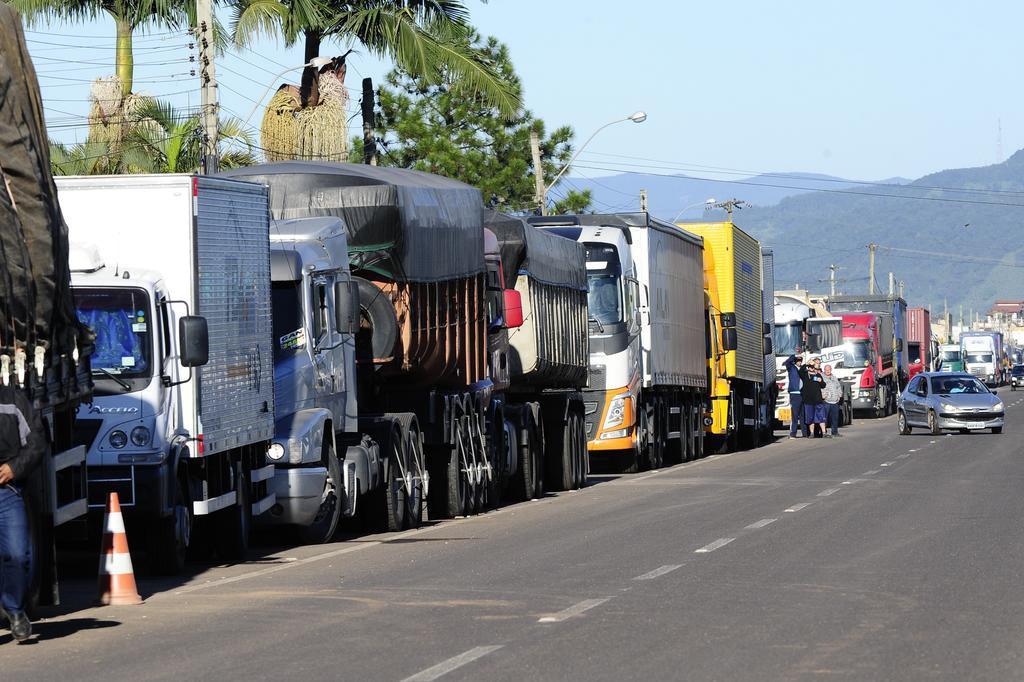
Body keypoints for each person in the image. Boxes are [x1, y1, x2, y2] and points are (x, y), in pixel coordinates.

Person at [0, 385, 45, 643]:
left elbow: (37, 442)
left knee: (18, 555)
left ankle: (15, 611)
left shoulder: (14, 399)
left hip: (7, 492)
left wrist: (14, 468)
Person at [798, 358, 827, 437]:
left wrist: (820, 380)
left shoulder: (818, 374)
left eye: (813, 366)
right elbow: (800, 371)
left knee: (821, 417)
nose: (811, 368)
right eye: (810, 366)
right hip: (808, 400)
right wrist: (806, 363)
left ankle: (824, 432)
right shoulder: (805, 375)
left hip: (818, 400)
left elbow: (823, 385)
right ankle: (812, 433)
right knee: (810, 418)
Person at [783, 350, 804, 438]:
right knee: (795, 415)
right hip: (794, 393)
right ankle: (793, 433)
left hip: (803, 394)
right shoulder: (791, 368)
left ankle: (805, 433)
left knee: (803, 415)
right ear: (795, 361)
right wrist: (794, 355)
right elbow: (786, 362)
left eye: (800, 361)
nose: (799, 362)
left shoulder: (803, 369)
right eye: (798, 361)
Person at [821, 364, 844, 437]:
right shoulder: (821, 378)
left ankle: (835, 432)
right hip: (826, 401)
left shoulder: (834, 378)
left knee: (835, 417)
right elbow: (819, 388)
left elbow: (838, 387)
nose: (827, 371)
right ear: (824, 370)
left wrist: (839, 395)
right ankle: (824, 432)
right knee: (825, 418)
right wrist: (823, 395)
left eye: (829, 370)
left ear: (831, 370)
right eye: (826, 370)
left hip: (835, 401)